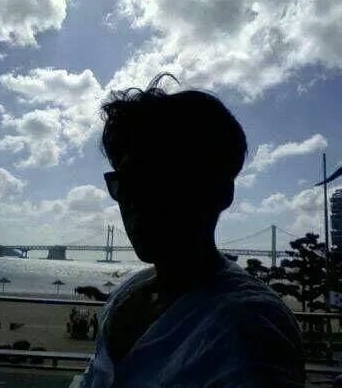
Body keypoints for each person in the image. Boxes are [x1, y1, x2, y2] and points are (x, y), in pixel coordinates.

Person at [78, 74, 305, 387]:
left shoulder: (250, 330)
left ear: (221, 192)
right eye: (125, 181)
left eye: (159, 178)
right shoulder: (125, 295)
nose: (135, 199)